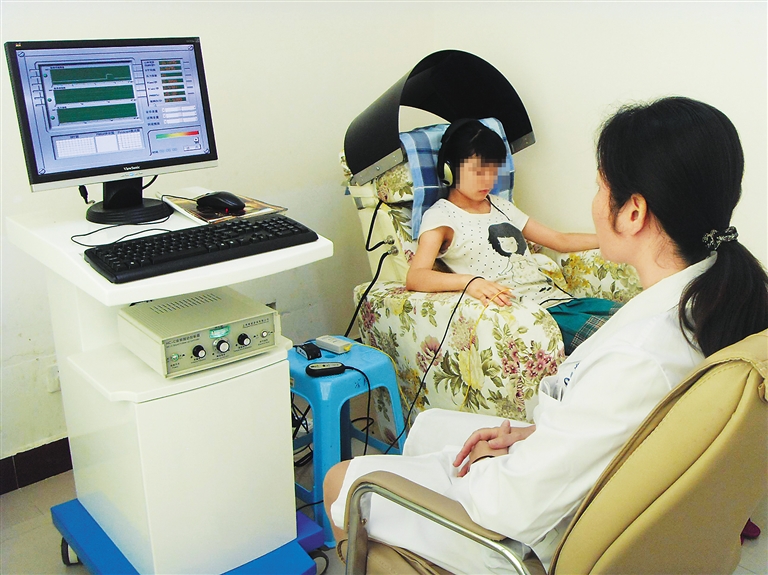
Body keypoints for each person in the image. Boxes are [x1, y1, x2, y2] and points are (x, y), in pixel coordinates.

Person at [323, 97, 768, 573]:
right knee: (429, 427)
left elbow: (513, 505)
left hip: (531, 537)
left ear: (633, 212)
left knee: (342, 481)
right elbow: (619, 432)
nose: (595, 202)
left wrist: (505, 459)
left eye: (600, 187)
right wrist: (534, 434)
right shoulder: (718, 298)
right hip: (585, 477)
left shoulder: (637, 358)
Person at [406, 120, 619, 353]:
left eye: (493, 171)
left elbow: (560, 240)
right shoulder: (441, 216)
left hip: (562, 301)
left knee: (640, 318)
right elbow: (416, 276)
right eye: (478, 171)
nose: (488, 181)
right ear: (450, 169)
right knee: (620, 342)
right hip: (533, 316)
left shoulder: (501, 206)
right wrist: (469, 282)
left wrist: (612, 238)